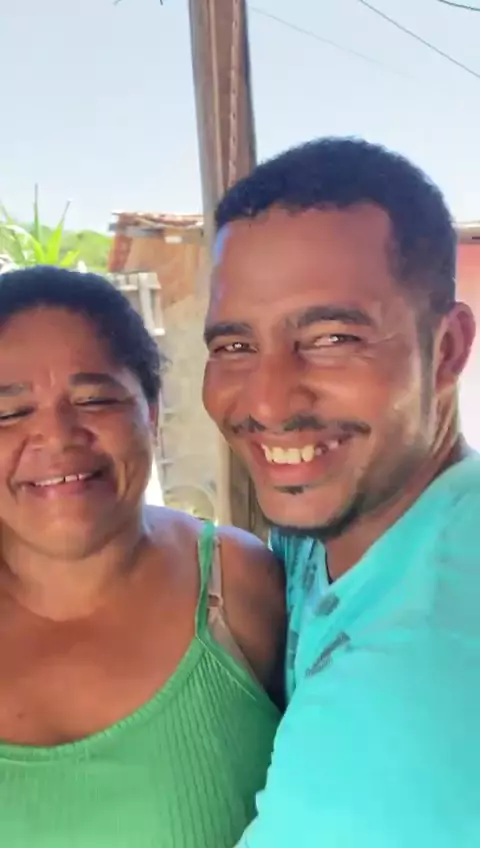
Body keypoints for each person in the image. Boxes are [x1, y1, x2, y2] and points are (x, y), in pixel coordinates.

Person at [202, 137, 480, 847]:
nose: (268, 402)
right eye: (235, 346)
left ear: (447, 350)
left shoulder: (410, 692)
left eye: (331, 338)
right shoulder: (344, 518)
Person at [0, 266, 284, 848]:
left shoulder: (240, 586)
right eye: (9, 413)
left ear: (151, 413)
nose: (57, 436)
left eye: (94, 399)